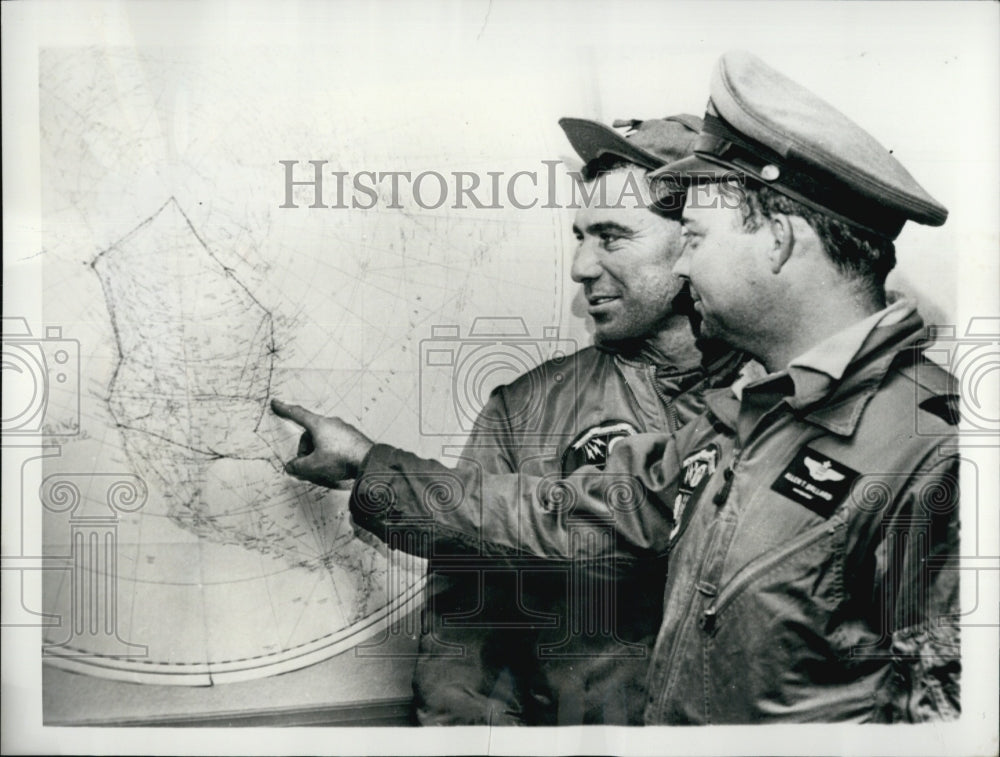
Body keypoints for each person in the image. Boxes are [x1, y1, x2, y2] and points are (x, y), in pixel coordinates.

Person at [274, 50, 960, 723]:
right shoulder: (749, 418)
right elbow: (562, 521)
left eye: (690, 233)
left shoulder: (924, 448)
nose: (582, 266)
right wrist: (368, 464)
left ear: (774, 240)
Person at [280, 114, 748, 726]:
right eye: (579, 237)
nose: (580, 267)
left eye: (611, 237)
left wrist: (373, 466)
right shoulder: (528, 407)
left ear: (697, 239)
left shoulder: (782, 396)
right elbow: (468, 641)